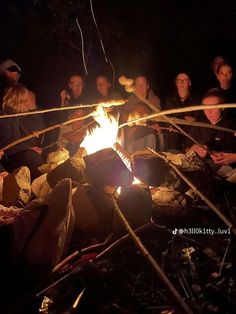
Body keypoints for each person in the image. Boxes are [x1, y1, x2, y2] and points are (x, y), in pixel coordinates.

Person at [188, 88, 236, 178]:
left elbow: (230, 153)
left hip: (225, 168)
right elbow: (189, 147)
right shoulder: (199, 123)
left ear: (222, 107)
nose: (209, 112)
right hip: (202, 164)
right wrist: (195, 148)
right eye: (205, 107)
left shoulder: (232, 125)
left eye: (213, 107)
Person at [0, 84, 45, 180]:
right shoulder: (5, 117)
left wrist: (30, 143)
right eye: (26, 99)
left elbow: (19, 139)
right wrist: (29, 148)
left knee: (36, 156)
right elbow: (8, 147)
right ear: (20, 100)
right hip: (8, 160)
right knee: (32, 158)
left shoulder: (16, 115)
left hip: (16, 154)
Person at [121, 75, 161, 153]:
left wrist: (155, 123)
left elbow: (158, 116)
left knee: (150, 132)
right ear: (135, 87)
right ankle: (137, 157)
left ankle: (150, 156)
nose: (141, 87)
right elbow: (124, 119)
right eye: (138, 85)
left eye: (143, 84)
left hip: (149, 129)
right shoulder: (129, 101)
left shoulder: (154, 99)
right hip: (133, 131)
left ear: (147, 86)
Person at [164, 72, 200, 152]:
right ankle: (173, 155)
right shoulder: (170, 100)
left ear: (189, 83)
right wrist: (170, 122)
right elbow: (165, 117)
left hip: (189, 131)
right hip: (174, 133)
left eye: (185, 80)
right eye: (179, 80)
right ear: (176, 83)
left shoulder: (196, 100)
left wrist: (194, 120)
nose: (181, 82)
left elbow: (198, 117)